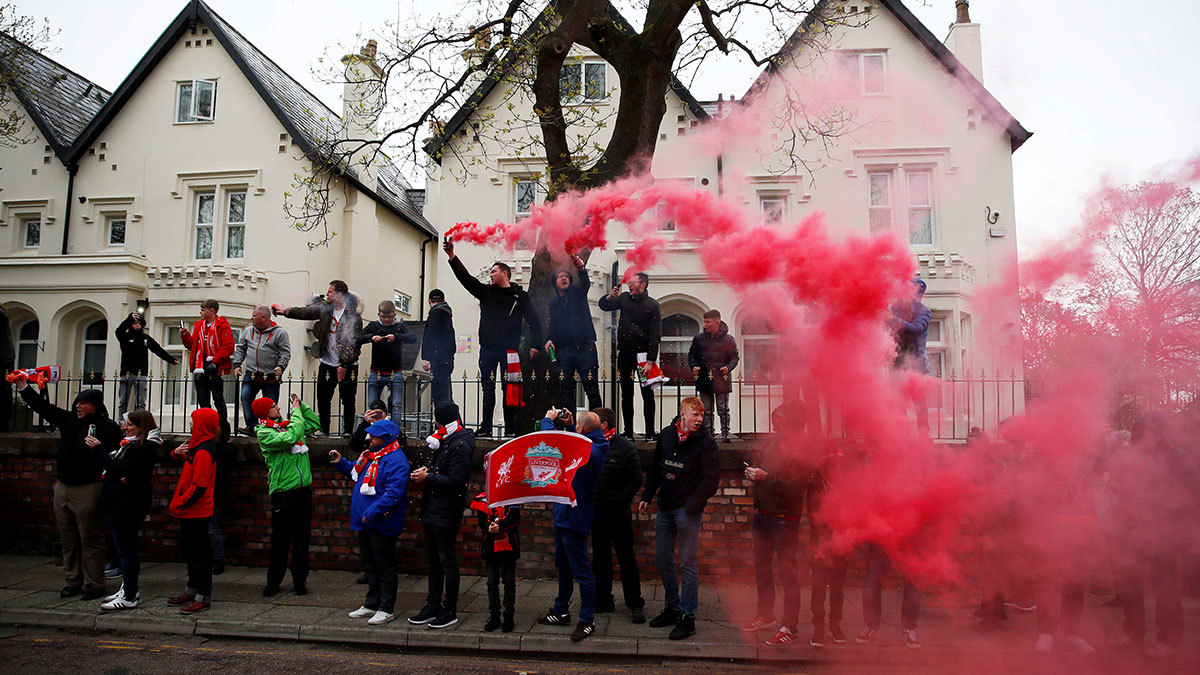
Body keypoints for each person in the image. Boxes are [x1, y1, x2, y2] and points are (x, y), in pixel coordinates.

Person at [12, 376, 120, 600]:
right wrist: (23, 386)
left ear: (96, 406)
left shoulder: (107, 428)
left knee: (91, 538)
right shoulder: (69, 421)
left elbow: (116, 458)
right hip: (63, 486)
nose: (78, 406)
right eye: (77, 402)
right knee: (68, 538)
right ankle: (73, 581)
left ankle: (94, 584)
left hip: (89, 487)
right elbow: (43, 408)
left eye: (83, 403)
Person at [1114, 413, 1200, 657]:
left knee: (1166, 585)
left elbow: (1192, 497)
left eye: (1144, 431)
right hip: (1131, 529)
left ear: (1160, 433)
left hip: (1163, 532)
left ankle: (1169, 639)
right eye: (1137, 431)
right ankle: (1133, 632)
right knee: (1128, 581)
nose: (1139, 436)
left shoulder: (1179, 459)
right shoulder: (1132, 457)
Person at [638, 397, 719, 640]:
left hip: (687, 512)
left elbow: (711, 481)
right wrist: (648, 495)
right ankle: (672, 608)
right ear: (682, 415)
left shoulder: (706, 443)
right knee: (663, 559)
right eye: (694, 415)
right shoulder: (666, 435)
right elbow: (656, 469)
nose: (699, 420)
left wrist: (692, 507)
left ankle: (688, 617)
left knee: (688, 564)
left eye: (701, 416)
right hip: (665, 507)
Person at [444, 237, 542, 436]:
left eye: (493, 271)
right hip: (488, 348)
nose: (490, 274)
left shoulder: (519, 296)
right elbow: (466, 279)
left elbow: (534, 322)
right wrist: (452, 256)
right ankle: (486, 428)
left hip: (511, 351)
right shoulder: (486, 292)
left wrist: (535, 345)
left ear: (504, 273)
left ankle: (510, 429)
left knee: (511, 389)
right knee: (487, 389)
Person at [330, 418, 411, 626]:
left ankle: (386, 608)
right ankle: (372, 603)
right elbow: (355, 472)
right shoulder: (371, 455)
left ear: (385, 438)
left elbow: (394, 493)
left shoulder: (396, 460)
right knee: (370, 565)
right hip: (365, 520)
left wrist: (373, 511)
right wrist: (341, 463)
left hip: (381, 522)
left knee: (385, 566)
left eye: (374, 435)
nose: (369, 438)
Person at [537, 409, 609, 641]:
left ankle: (587, 620)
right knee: (563, 565)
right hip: (563, 513)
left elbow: (554, 444)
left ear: (583, 429)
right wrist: (570, 426)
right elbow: (574, 445)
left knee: (581, 571)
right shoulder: (591, 445)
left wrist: (548, 419)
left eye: (577, 425)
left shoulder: (593, 452)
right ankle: (561, 610)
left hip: (574, 518)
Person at [742, 405, 811, 646]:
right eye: (774, 421)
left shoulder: (803, 450)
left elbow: (797, 489)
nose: (775, 426)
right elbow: (766, 472)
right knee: (762, 569)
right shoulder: (773, 444)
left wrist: (765, 477)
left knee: (788, 573)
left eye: (780, 422)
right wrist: (754, 474)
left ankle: (789, 627)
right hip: (763, 516)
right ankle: (765, 614)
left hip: (784, 519)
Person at [408, 401, 473, 629]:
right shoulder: (446, 440)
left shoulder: (460, 445)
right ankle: (432, 605)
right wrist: (429, 471)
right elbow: (441, 471)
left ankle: (450, 609)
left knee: (447, 561)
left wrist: (428, 478)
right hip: (433, 508)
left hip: (446, 510)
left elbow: (456, 481)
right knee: (433, 560)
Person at [274, 280, 364, 436]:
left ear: (339, 294)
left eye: (330, 291)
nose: (327, 294)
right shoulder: (325, 309)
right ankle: (324, 429)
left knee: (348, 399)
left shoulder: (352, 316)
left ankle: (348, 430)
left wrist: (343, 364)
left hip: (348, 365)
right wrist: (286, 312)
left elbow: (353, 343)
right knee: (323, 398)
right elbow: (306, 312)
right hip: (328, 361)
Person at [254, 393, 320, 597]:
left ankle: (300, 581)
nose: (279, 409)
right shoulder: (264, 432)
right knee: (280, 540)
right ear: (266, 412)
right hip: (283, 492)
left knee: (302, 539)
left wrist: (301, 405)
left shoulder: (289, 425)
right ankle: (273, 582)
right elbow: (291, 438)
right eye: (274, 406)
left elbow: (314, 423)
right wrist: (297, 414)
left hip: (302, 491)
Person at [98, 409, 160, 611]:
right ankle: (127, 588)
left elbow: (118, 470)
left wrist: (99, 450)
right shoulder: (134, 446)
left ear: (141, 429)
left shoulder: (141, 449)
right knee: (124, 549)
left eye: (130, 425)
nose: (124, 428)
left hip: (128, 505)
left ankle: (130, 595)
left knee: (127, 551)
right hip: (121, 503)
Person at [591, 406, 645, 623]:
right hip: (598, 513)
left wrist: (621, 500)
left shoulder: (625, 447)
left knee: (626, 559)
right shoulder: (591, 445)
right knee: (600, 558)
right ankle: (603, 600)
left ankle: (635, 603)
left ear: (603, 425)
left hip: (619, 513)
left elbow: (636, 479)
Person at [167, 408, 220, 614]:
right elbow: (189, 464)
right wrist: (175, 453)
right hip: (190, 511)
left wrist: (180, 502)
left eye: (193, 421)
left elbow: (199, 486)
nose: (190, 424)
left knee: (200, 555)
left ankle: (203, 595)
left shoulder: (204, 450)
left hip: (196, 511)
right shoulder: (196, 447)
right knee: (191, 554)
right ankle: (192, 589)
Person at [598, 272, 662, 440]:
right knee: (626, 394)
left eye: (633, 282)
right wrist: (609, 297)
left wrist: (650, 360)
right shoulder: (624, 298)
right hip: (625, 353)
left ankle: (649, 432)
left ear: (643, 285)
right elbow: (603, 306)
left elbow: (655, 336)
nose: (629, 284)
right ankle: (628, 432)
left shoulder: (653, 305)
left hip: (643, 356)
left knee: (647, 394)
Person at [546, 254, 602, 413]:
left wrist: (581, 270)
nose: (563, 278)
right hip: (564, 351)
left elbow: (585, 284)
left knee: (591, 388)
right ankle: (569, 428)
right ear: (554, 282)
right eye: (560, 277)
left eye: (566, 276)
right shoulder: (553, 304)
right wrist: (549, 339)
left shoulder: (577, 294)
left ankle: (598, 427)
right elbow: (552, 326)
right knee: (566, 390)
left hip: (585, 349)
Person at [808, 439, 849, 648]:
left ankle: (835, 625)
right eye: (832, 464)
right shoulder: (816, 484)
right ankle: (818, 626)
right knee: (818, 587)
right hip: (820, 542)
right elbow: (814, 515)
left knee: (837, 588)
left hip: (840, 543)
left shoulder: (845, 485)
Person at [357, 300, 417, 425]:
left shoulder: (400, 327)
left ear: (394, 314)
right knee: (372, 405)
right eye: (383, 317)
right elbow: (358, 338)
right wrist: (371, 337)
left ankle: (395, 430)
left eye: (390, 317)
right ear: (378, 314)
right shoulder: (373, 326)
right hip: (376, 372)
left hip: (395, 372)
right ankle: (373, 429)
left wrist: (396, 337)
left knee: (396, 405)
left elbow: (413, 338)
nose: (387, 320)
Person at [232, 305, 291, 431]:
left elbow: (285, 353)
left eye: (254, 315)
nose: (251, 318)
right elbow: (241, 348)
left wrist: (281, 366)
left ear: (263, 317)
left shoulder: (280, 332)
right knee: (245, 396)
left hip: (270, 375)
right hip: (251, 373)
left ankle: (270, 428)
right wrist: (237, 364)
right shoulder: (248, 331)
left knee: (270, 405)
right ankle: (252, 426)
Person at [471, 491, 521, 633]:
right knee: (492, 582)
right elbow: (481, 520)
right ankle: (494, 616)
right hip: (490, 547)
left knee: (509, 581)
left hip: (509, 546)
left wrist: (501, 525)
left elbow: (515, 518)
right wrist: (489, 526)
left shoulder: (512, 495)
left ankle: (509, 617)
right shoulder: (482, 498)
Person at [181, 299, 235, 427]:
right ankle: (207, 425)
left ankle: (221, 426)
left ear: (212, 311)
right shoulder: (199, 326)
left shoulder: (222, 325)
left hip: (214, 367)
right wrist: (185, 335)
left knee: (218, 399)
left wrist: (215, 361)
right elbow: (192, 346)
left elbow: (228, 346)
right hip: (200, 366)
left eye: (203, 309)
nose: (200, 312)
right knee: (202, 399)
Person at [688, 309, 739, 443]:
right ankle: (708, 435)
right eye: (704, 321)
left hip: (722, 378)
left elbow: (734, 357)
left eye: (707, 322)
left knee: (723, 409)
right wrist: (694, 366)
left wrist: (727, 368)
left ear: (717, 322)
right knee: (706, 410)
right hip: (705, 378)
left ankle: (725, 434)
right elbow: (692, 354)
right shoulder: (699, 338)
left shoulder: (729, 340)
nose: (705, 324)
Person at [115, 312, 178, 416]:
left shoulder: (146, 338)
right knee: (123, 401)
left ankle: (139, 420)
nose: (137, 325)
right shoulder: (125, 337)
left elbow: (157, 349)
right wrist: (129, 319)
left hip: (141, 372)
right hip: (127, 372)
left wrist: (171, 360)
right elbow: (118, 331)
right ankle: (121, 421)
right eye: (135, 323)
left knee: (141, 402)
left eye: (139, 323)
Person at [889, 278, 931, 432]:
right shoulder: (895, 308)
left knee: (918, 400)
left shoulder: (923, 311)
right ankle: (902, 432)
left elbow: (916, 329)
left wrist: (892, 319)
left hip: (915, 362)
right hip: (897, 360)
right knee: (898, 399)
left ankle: (923, 433)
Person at [421, 289, 456, 405]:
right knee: (446, 394)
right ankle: (452, 421)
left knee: (440, 397)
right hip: (446, 359)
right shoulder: (446, 313)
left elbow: (431, 336)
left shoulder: (435, 313)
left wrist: (427, 357)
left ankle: (443, 421)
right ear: (444, 300)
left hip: (438, 359)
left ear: (429, 301)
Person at [0, 302, 14, 431]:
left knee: (3, 390)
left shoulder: (1, 315)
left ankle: (3, 424)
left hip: (3, 360)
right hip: (5, 358)